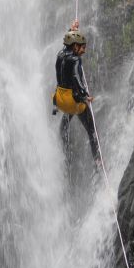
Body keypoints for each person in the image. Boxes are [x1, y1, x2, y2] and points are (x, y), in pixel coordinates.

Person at [53, 20, 100, 163]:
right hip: (72, 101)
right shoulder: (75, 60)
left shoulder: (60, 54)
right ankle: (98, 160)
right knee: (92, 129)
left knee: (65, 122)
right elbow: (75, 76)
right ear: (75, 47)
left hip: (60, 99)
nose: (84, 51)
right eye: (82, 47)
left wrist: (71, 30)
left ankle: (63, 145)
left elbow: (66, 44)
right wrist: (84, 96)